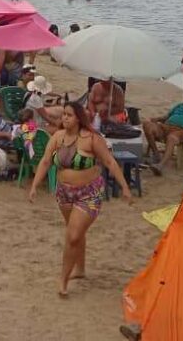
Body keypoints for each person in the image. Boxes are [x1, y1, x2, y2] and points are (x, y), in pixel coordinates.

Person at [28, 102, 131, 297]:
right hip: (64, 192)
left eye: (69, 115)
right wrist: (34, 185)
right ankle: (80, 269)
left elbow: (109, 161)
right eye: (64, 115)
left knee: (73, 235)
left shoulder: (92, 139)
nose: (65, 118)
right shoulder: (57, 137)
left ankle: (63, 280)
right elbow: (46, 161)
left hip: (88, 193)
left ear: (79, 118)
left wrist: (124, 186)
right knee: (75, 232)